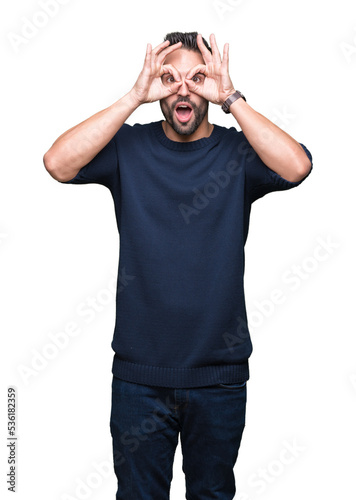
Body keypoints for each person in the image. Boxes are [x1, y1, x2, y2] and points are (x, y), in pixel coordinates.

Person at [43, 31, 312, 500]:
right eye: (170, 78)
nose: (184, 89)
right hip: (139, 379)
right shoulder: (127, 148)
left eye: (197, 78)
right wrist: (133, 97)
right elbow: (57, 163)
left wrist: (230, 97)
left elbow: (297, 167)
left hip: (219, 378)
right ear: (157, 87)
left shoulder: (236, 153)